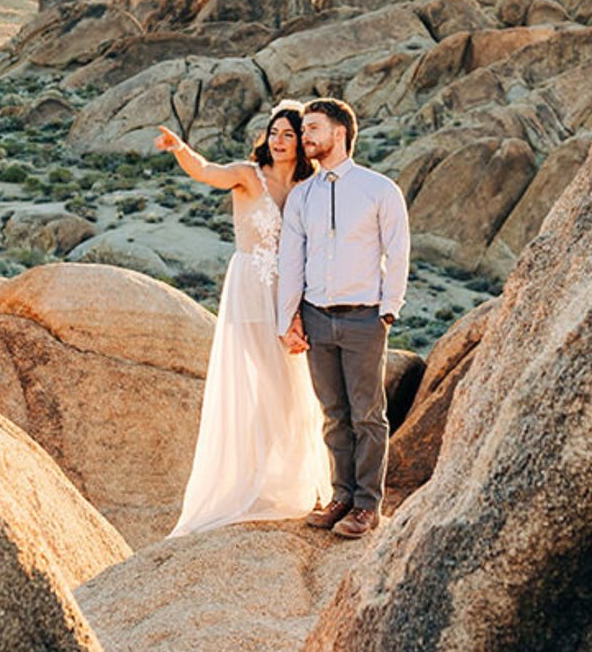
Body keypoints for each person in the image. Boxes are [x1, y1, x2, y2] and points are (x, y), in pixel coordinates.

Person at [155, 105, 330, 535]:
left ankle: (294, 482)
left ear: (301, 142)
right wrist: (180, 149)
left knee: (297, 389)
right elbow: (205, 170)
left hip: (291, 292)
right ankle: (249, 484)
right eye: (273, 133)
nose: (278, 141)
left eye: (287, 135)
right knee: (265, 383)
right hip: (251, 287)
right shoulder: (249, 175)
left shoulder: (308, 185)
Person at [277, 97, 410, 540]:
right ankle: (341, 496)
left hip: (364, 319)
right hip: (316, 318)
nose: (305, 136)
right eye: (304, 128)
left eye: (313, 128)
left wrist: (388, 310)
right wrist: (288, 319)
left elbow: (399, 250)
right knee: (334, 414)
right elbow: (291, 260)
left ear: (340, 133)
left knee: (368, 415)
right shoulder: (302, 196)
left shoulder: (379, 190)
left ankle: (367, 505)